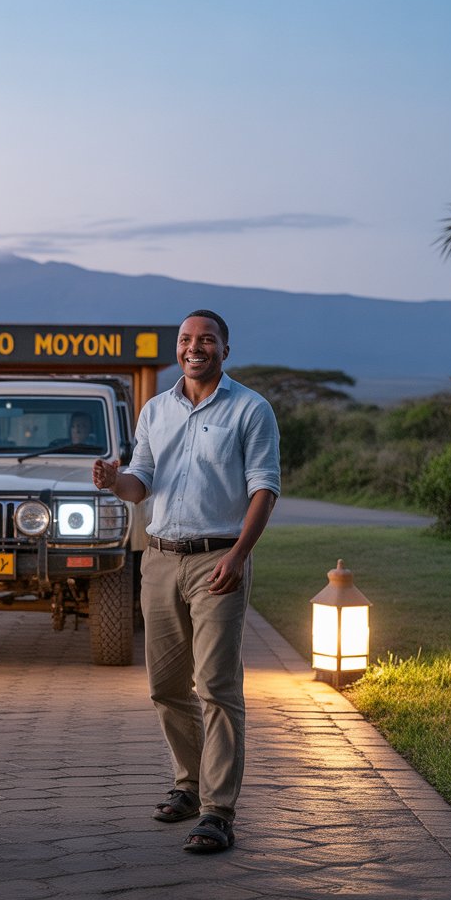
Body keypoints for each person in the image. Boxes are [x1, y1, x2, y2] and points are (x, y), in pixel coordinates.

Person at [92, 309, 280, 855]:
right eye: (185, 340)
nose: (194, 347)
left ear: (225, 347)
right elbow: (140, 484)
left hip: (218, 561)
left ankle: (218, 810)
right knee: (164, 686)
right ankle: (188, 784)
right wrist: (113, 481)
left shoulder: (251, 409)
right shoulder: (156, 410)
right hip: (159, 560)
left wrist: (240, 555)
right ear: (177, 348)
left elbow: (263, 490)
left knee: (216, 687)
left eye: (206, 340)